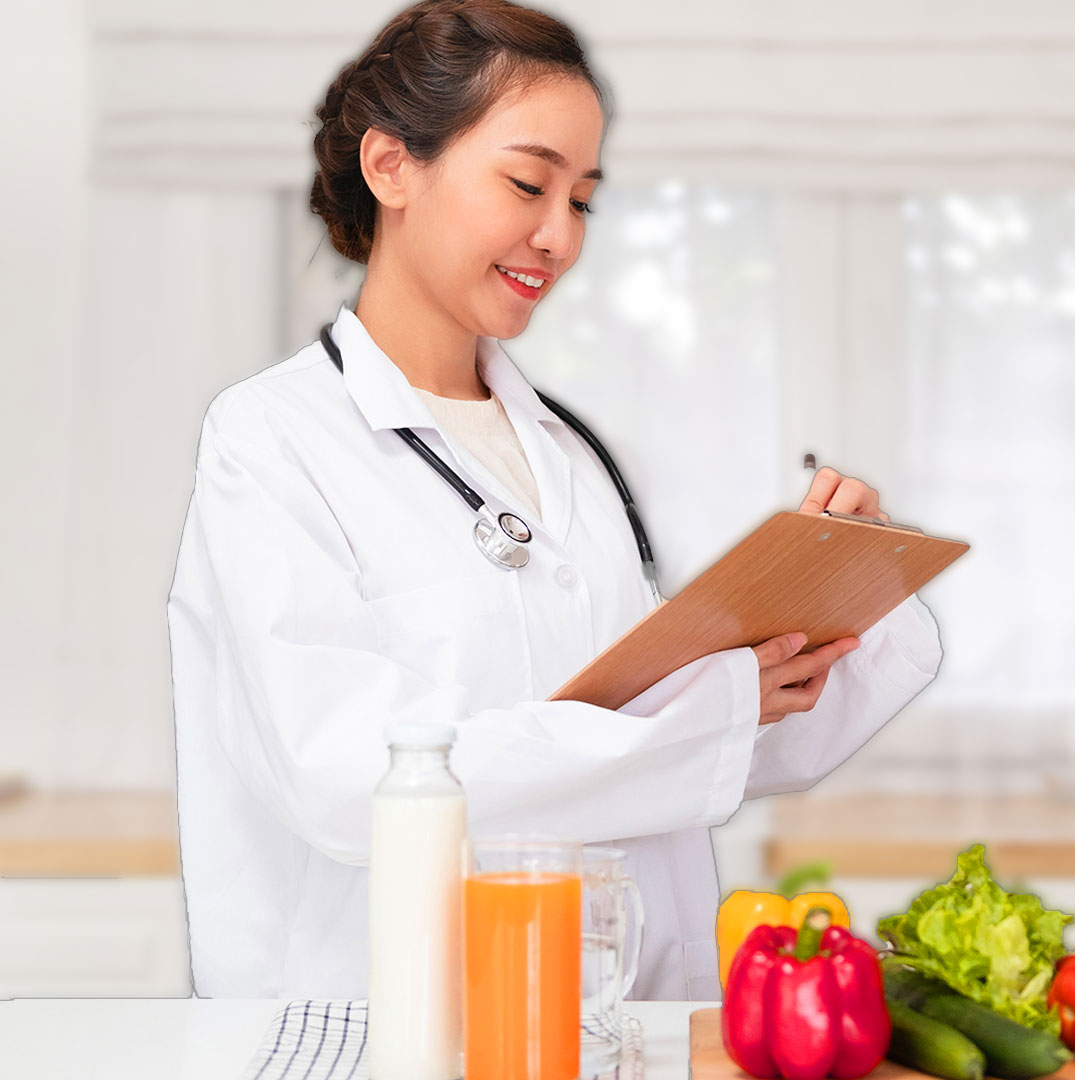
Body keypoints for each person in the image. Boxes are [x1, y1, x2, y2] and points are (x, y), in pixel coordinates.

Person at [165, 0, 943, 1000]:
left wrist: (840, 596)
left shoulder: (568, 456)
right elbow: (348, 776)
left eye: (581, 199)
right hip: (392, 1017)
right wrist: (695, 713)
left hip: (622, 1007)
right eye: (528, 183)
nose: (559, 235)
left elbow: (693, 746)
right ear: (391, 167)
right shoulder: (272, 439)